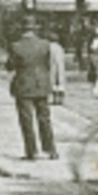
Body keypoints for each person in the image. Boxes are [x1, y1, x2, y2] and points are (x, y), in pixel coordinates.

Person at [5, 15, 57, 160]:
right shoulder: (45, 45)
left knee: (26, 119)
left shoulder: (15, 46)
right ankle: (51, 149)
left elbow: (10, 66)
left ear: (21, 29)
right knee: (45, 118)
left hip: (23, 85)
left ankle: (31, 151)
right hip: (41, 84)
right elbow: (46, 64)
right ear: (35, 28)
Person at [47, 30, 67, 105]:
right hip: (59, 67)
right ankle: (59, 99)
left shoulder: (49, 47)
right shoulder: (59, 48)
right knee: (59, 83)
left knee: (53, 83)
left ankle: (55, 98)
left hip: (52, 68)